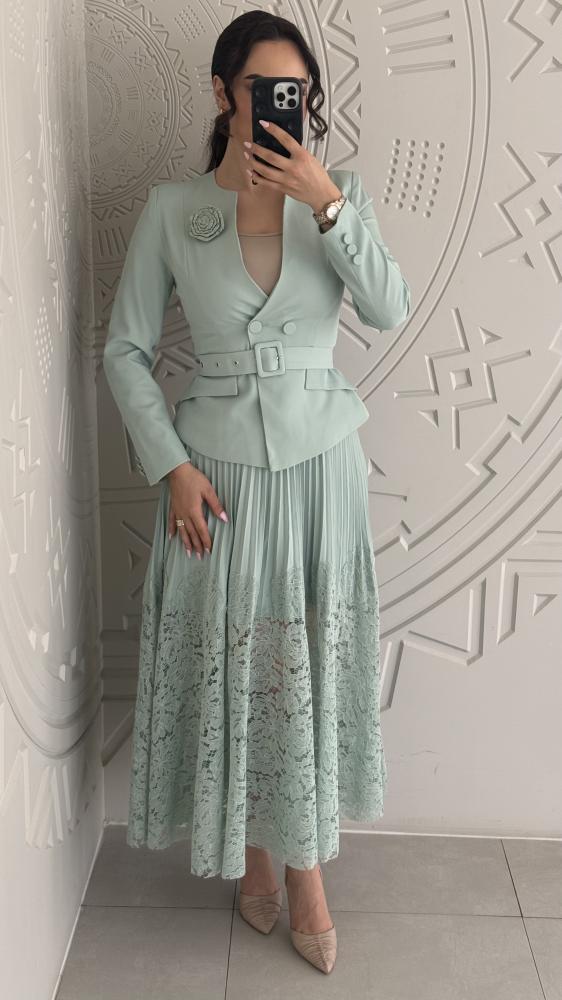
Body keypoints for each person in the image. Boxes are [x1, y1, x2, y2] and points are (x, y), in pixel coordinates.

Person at [103, 10, 411, 975]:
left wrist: (328, 204)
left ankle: (305, 869)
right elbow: (125, 349)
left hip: (322, 469)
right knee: (241, 661)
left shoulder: (340, 193)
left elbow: (388, 308)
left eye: (298, 93)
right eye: (263, 89)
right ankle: (255, 852)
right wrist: (171, 465)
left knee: (303, 657)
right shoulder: (173, 209)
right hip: (217, 475)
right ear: (222, 93)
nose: (284, 106)